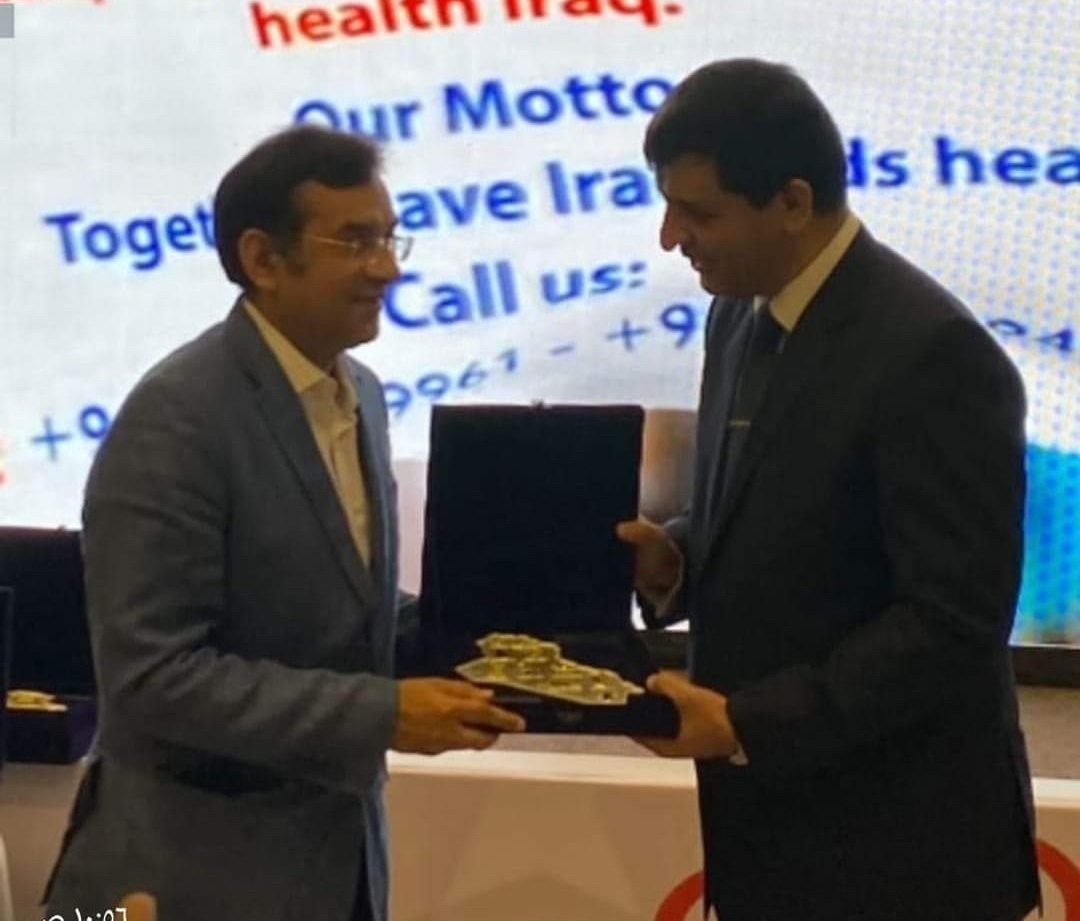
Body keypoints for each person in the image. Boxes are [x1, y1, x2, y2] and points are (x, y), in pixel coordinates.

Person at [43, 126, 523, 921]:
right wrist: (383, 712)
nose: (388, 267)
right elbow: (153, 675)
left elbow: (343, 614)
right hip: (190, 877)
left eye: (390, 237)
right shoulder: (177, 416)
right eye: (356, 242)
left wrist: (500, 641)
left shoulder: (361, 393)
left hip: (341, 865)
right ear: (263, 258)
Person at [618, 58, 1040, 921]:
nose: (670, 238)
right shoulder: (738, 311)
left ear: (793, 202)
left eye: (699, 213)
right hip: (769, 837)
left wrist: (747, 724)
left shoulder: (933, 354)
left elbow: (953, 621)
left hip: (903, 857)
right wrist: (676, 561)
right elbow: (780, 507)